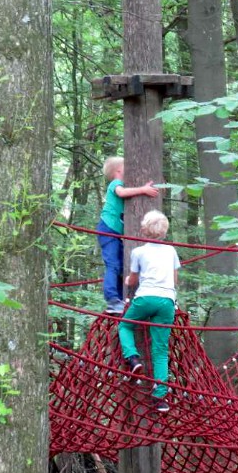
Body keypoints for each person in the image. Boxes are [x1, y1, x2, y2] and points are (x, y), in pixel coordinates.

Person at [118, 210, 180, 413]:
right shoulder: (170, 251)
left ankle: (133, 358)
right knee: (160, 351)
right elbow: (175, 278)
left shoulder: (138, 252)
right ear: (164, 231)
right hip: (167, 301)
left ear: (144, 230)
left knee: (125, 326)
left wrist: (127, 280)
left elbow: (133, 280)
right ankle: (160, 397)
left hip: (145, 298)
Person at [97, 156, 158, 313]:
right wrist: (143, 189)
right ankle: (112, 300)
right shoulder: (116, 184)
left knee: (120, 265)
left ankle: (120, 299)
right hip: (108, 229)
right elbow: (122, 193)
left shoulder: (121, 184)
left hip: (115, 232)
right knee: (113, 264)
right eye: (126, 166)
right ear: (118, 170)